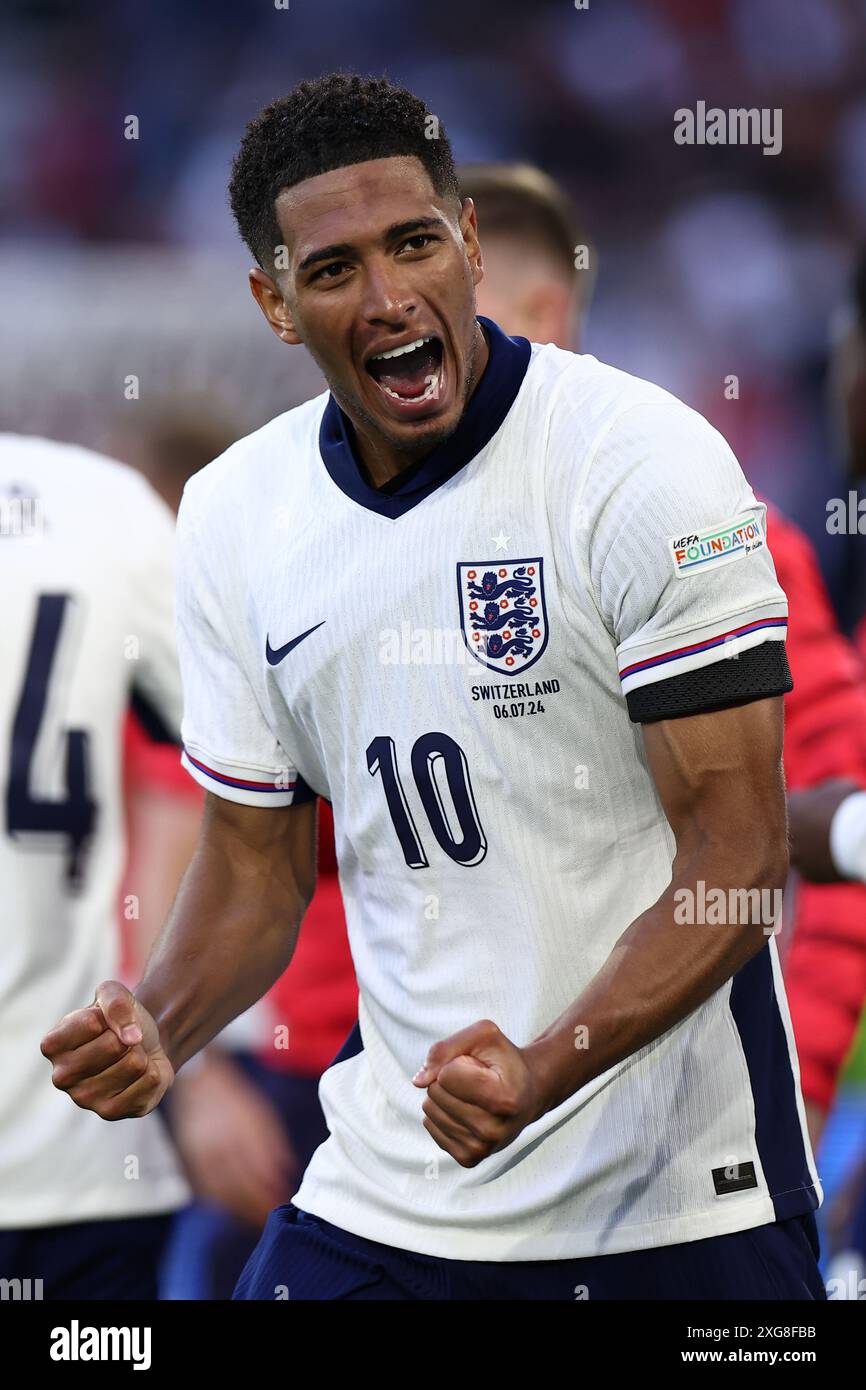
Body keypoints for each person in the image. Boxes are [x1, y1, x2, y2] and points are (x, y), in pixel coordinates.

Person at [43, 74, 823, 1301]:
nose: (391, 295)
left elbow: (733, 858)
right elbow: (256, 870)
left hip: (671, 1209)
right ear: (275, 302)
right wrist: (162, 1021)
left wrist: (540, 1066)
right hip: (392, 1191)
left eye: (414, 243)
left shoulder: (641, 463)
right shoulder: (237, 513)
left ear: (466, 240)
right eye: (336, 266)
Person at [467, 164, 866, 1148]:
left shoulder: (709, 529)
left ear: (543, 314)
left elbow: (836, 807)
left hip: (669, 1114)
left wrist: (800, 1081)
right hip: (434, 1105)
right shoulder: (376, 551)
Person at [0, 434, 190, 1299]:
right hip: (81, 1152)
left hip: (84, 1134)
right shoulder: (100, 504)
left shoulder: (107, 505)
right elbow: (266, 767)